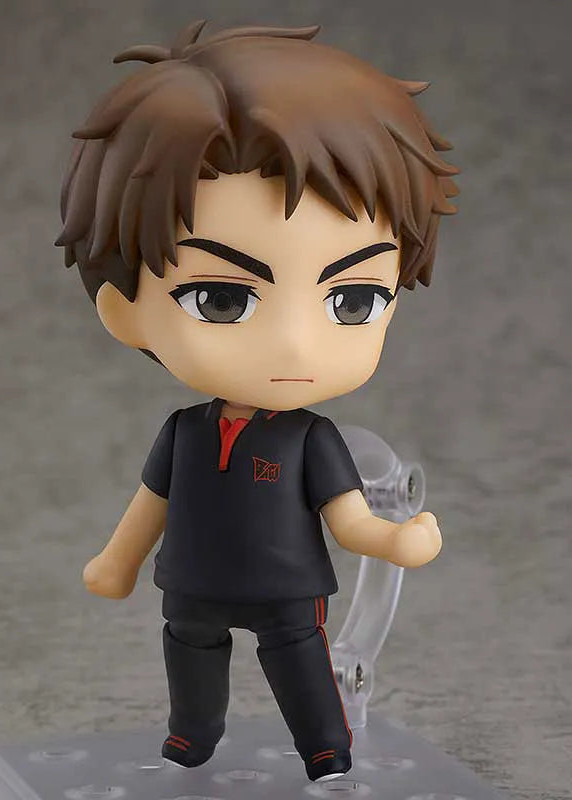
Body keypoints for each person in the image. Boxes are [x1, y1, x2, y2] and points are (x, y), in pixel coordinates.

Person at [57, 20, 458, 783]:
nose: (295, 347)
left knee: (299, 660)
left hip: (286, 589)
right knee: (190, 657)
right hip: (192, 583)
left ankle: (324, 746)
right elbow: (149, 505)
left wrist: (394, 542)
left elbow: (349, 518)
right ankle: (191, 737)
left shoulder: (311, 438)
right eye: (223, 299)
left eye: (352, 301)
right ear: (125, 311)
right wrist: (116, 561)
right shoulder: (183, 430)